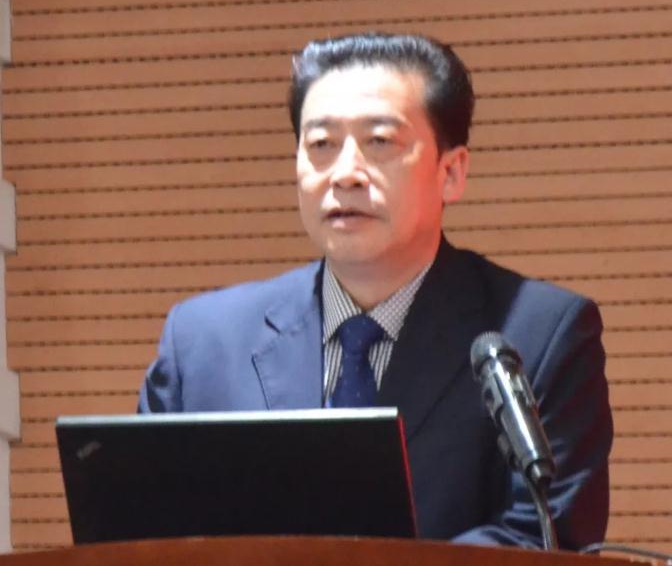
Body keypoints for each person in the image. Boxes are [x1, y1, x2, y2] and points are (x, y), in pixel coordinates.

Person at [138, 32, 612, 549]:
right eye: (321, 145)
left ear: (451, 172)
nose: (345, 174)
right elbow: (140, 537)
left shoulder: (539, 335)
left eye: (380, 142)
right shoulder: (202, 343)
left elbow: (544, 535)